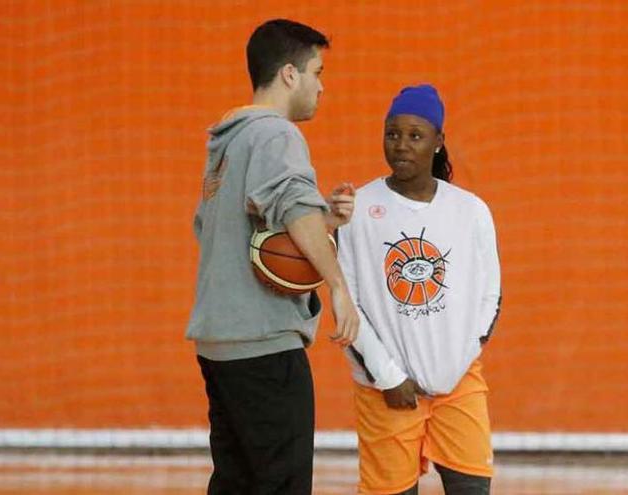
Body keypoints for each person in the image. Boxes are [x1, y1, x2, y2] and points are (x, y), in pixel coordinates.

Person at [185, 18, 359, 494]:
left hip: (219, 342)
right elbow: (294, 211)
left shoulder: (226, 140)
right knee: (282, 484)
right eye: (317, 72)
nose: (321, 87)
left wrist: (325, 220)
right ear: (289, 74)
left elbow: (238, 231)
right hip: (263, 341)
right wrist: (339, 287)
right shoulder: (277, 135)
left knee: (235, 483)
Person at [337, 84, 501, 495]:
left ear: (438, 141)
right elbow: (348, 304)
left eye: (415, 135)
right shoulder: (358, 209)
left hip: (458, 384)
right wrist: (389, 376)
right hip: (386, 389)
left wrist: (455, 364)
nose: (402, 146)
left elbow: (490, 297)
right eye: (393, 134)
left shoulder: (471, 210)